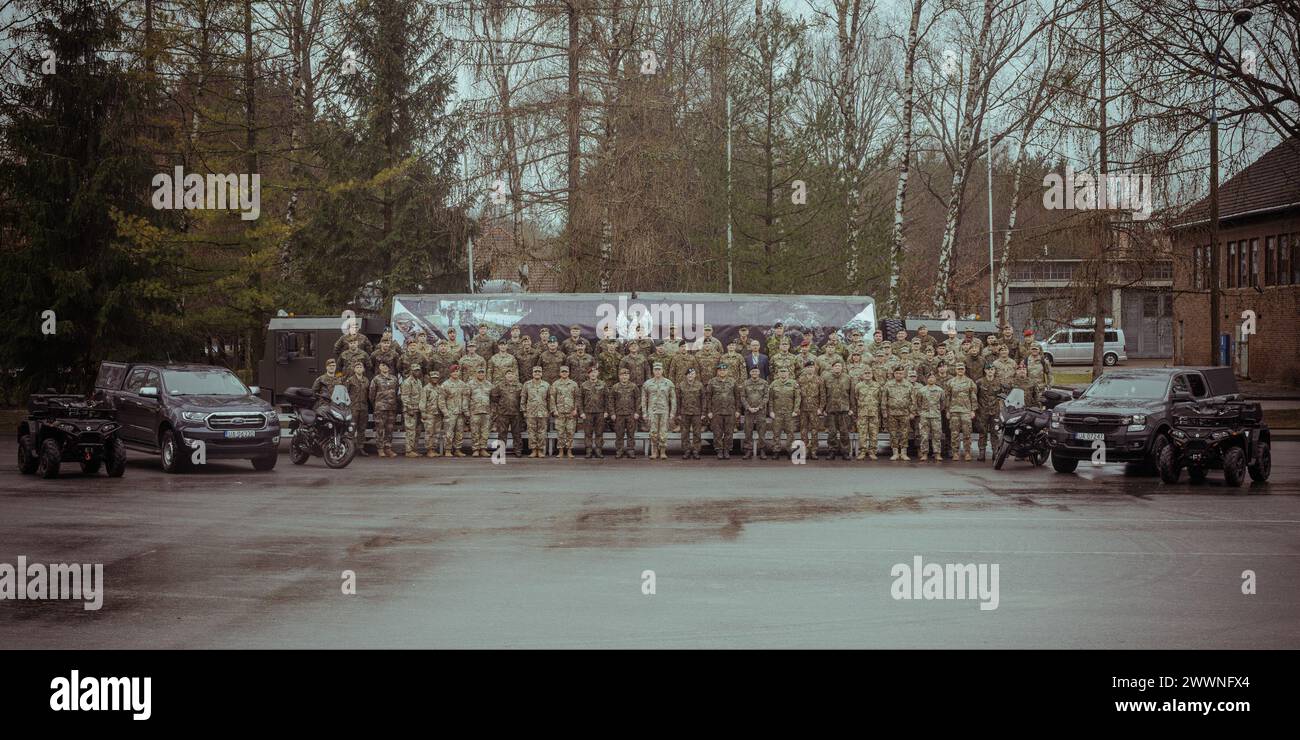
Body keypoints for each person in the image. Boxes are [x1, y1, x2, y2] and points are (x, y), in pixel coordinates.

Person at [641, 362, 676, 460]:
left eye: (659, 369)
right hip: (652, 411)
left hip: (664, 411)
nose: (657, 371)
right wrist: (644, 413)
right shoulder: (647, 384)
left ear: (662, 370)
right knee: (653, 432)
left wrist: (672, 412)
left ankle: (663, 451)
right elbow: (643, 399)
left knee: (663, 432)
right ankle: (654, 451)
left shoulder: (668, 383)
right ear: (653, 371)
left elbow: (673, 399)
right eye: (655, 369)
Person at [706, 363, 739, 460]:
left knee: (729, 432)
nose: (722, 372)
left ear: (727, 371)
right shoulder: (712, 382)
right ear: (717, 371)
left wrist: (737, 410)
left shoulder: (732, 381)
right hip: (716, 411)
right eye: (720, 370)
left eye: (724, 370)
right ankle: (719, 450)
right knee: (717, 432)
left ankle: (727, 450)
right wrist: (709, 411)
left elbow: (737, 396)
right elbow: (708, 397)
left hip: (730, 411)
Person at [883, 366, 915, 461]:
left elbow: (913, 400)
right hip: (892, 413)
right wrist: (884, 411)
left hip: (905, 413)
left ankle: (904, 453)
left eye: (900, 373)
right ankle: (895, 453)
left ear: (904, 374)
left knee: (904, 433)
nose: (898, 375)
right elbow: (884, 399)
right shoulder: (888, 384)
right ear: (894, 374)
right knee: (893, 433)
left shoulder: (909, 385)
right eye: (897, 373)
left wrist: (912, 412)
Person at [822, 361, 853, 460]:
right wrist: (823, 408)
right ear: (832, 367)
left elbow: (851, 394)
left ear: (842, 368)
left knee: (844, 432)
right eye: (835, 366)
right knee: (832, 433)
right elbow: (823, 394)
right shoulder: (826, 378)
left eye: (839, 366)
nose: (837, 368)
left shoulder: (847, 378)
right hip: (831, 409)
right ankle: (832, 451)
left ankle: (845, 452)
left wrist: (852, 408)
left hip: (844, 409)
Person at [946, 363, 977, 461]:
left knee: (967, 433)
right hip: (954, 410)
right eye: (958, 368)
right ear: (955, 370)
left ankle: (967, 452)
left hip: (966, 411)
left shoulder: (969, 382)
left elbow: (973, 397)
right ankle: (955, 453)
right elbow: (947, 397)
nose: (960, 370)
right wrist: (947, 410)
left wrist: (973, 410)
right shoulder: (950, 382)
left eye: (962, 369)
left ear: (964, 370)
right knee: (954, 434)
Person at [767, 366, 800, 458]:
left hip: (790, 413)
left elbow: (797, 398)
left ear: (788, 373)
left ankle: (790, 450)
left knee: (790, 433)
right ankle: (776, 450)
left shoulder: (793, 383)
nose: (783, 374)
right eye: (781, 372)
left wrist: (796, 410)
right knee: (776, 432)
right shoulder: (774, 384)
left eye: (785, 372)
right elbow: (770, 399)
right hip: (777, 413)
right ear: (778, 374)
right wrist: (771, 411)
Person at [975, 365, 1006, 462]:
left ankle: (995, 452)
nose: (990, 371)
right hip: (982, 411)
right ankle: (982, 452)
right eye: (988, 369)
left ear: (994, 371)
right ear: (985, 370)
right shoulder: (979, 382)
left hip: (995, 411)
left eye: (992, 369)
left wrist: (1002, 408)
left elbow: (1003, 396)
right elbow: (974, 396)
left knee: (995, 432)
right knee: (982, 432)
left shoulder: (999, 382)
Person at [369, 361, 400, 458]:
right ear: (379, 367)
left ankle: (388, 448)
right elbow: (371, 394)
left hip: (391, 407)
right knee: (380, 428)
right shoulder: (376, 379)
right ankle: (380, 449)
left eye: (387, 366)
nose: (385, 367)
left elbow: (396, 392)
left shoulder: (394, 379)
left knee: (390, 429)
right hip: (380, 408)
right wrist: (377, 404)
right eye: (383, 365)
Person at [852, 366, 884, 461]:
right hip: (862, 413)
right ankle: (862, 451)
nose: (867, 375)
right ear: (862, 375)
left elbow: (880, 399)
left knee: (873, 433)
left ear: (872, 374)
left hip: (874, 412)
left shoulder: (877, 385)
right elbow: (856, 398)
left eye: (869, 373)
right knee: (862, 433)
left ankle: (872, 451)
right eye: (865, 373)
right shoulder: (858, 386)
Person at [491, 368, 525, 457]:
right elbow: (494, 397)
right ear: (505, 376)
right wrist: (502, 404)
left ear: (515, 376)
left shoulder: (520, 386)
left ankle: (517, 450)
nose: (510, 375)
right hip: (503, 413)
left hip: (516, 413)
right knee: (502, 433)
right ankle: (500, 451)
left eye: (512, 374)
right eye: (508, 374)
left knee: (517, 433)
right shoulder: (500, 386)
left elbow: (523, 398)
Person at [548, 366, 580, 459]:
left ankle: (569, 451)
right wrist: (554, 410)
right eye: (562, 372)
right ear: (560, 373)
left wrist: (576, 409)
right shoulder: (555, 384)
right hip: (560, 412)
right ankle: (561, 451)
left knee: (570, 432)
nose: (564, 373)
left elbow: (577, 398)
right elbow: (552, 398)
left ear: (569, 373)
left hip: (571, 412)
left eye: (566, 372)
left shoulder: (573, 384)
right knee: (560, 432)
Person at [439, 365, 470, 457]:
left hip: (460, 413)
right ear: (450, 373)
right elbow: (441, 400)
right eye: (454, 372)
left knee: (459, 432)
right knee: (448, 432)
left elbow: (465, 398)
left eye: (457, 371)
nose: (456, 373)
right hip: (450, 413)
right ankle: (448, 450)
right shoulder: (445, 384)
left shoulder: (462, 384)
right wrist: (445, 412)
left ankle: (457, 449)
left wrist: (465, 410)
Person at [740, 366, 770, 460]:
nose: (754, 373)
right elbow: (742, 397)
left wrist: (759, 407)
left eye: (756, 371)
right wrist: (748, 407)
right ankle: (748, 450)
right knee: (748, 431)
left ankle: (762, 450)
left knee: (761, 432)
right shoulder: (745, 383)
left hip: (760, 411)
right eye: (753, 371)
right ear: (750, 373)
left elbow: (766, 396)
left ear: (759, 372)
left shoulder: (764, 383)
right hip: (749, 411)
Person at [579, 367, 610, 458]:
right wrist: (581, 412)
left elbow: (607, 399)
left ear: (598, 373)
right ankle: (588, 450)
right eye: (591, 373)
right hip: (588, 412)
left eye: (595, 372)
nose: (593, 374)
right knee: (588, 433)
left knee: (599, 432)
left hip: (600, 412)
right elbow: (580, 399)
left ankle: (598, 450)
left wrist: (606, 411)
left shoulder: (603, 384)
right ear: (588, 374)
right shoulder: (584, 385)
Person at [521, 366, 551, 458]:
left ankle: (540, 450)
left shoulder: (546, 385)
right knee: (531, 432)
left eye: (539, 371)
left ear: (542, 373)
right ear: (532, 373)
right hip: (531, 412)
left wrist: (550, 410)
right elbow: (523, 398)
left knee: (542, 432)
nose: (537, 373)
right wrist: (524, 410)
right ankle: (534, 450)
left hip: (543, 412)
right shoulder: (527, 384)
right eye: (535, 371)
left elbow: (550, 399)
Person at [676, 367, 706, 459]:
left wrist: (703, 412)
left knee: (697, 433)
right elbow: (678, 400)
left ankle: (696, 451)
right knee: (685, 433)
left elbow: (703, 399)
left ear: (695, 375)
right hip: (684, 413)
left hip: (696, 413)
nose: (690, 376)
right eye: (689, 374)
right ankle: (687, 451)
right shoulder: (681, 385)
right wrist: (678, 413)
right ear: (686, 375)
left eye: (692, 374)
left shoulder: (699, 385)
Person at [915, 373, 946, 462]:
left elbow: (943, 404)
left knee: (937, 435)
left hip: (936, 416)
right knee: (924, 436)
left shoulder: (940, 390)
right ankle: (924, 453)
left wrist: (936, 410)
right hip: (925, 416)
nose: (931, 379)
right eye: (929, 378)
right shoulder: (922, 390)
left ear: (935, 379)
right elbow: (918, 403)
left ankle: (937, 453)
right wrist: (923, 412)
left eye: (933, 377)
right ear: (926, 379)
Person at [609, 367, 640, 458]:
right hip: (619, 414)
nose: (624, 377)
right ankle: (619, 450)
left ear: (629, 376)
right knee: (619, 434)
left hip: (631, 414)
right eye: (622, 375)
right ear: (619, 376)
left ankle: (630, 450)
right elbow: (611, 401)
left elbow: (638, 400)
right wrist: (612, 413)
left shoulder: (634, 386)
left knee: (631, 434)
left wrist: (637, 412)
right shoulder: (615, 387)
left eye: (626, 375)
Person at [797, 364, 824, 459]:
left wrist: (820, 408)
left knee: (814, 431)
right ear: (805, 368)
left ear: (815, 368)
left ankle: (813, 451)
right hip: (803, 408)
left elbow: (822, 395)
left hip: (814, 408)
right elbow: (797, 395)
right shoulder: (800, 379)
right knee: (803, 430)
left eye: (812, 367)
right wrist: (797, 408)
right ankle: (804, 450)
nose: (810, 369)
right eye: (808, 367)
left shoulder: (819, 379)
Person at [399, 363, 426, 456]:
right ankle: (409, 450)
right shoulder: (407, 382)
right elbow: (404, 397)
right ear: (411, 371)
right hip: (410, 410)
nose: (417, 372)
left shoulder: (418, 381)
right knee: (410, 431)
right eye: (415, 370)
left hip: (418, 409)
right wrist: (408, 408)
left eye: (418, 370)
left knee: (417, 431)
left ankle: (414, 449)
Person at [466, 366, 494, 457]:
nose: (481, 374)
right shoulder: (470, 384)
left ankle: (483, 449)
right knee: (475, 431)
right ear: (476, 373)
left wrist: (492, 411)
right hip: (474, 411)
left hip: (486, 412)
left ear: (485, 374)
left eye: (482, 372)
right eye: (479, 372)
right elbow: (466, 398)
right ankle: (475, 449)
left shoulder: (489, 385)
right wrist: (466, 411)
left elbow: (493, 399)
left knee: (485, 432)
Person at [345, 361, 371, 456]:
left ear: (363, 369)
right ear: (354, 369)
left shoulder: (366, 380)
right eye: (357, 367)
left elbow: (369, 394)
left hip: (363, 407)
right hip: (353, 408)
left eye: (360, 367)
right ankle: (349, 448)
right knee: (351, 428)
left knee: (362, 429)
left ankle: (360, 448)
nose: (359, 369)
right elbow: (345, 393)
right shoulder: (350, 380)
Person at [419, 370, 444, 458]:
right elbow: (422, 402)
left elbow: (442, 402)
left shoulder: (440, 388)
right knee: (429, 432)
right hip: (429, 413)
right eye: (433, 377)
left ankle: (433, 449)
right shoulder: (426, 388)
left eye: (436, 378)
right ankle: (429, 450)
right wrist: (423, 412)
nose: (435, 379)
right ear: (430, 378)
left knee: (436, 432)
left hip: (438, 413)